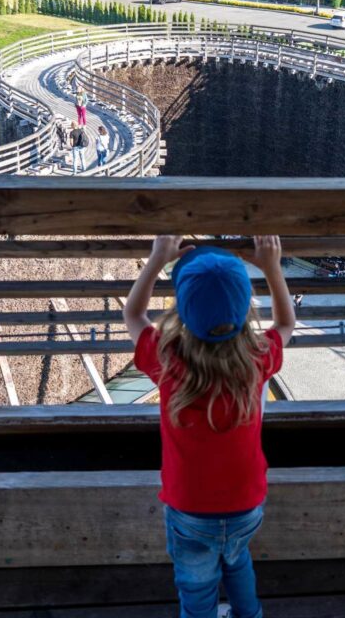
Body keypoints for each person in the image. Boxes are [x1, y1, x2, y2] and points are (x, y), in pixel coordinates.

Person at [123, 236, 296, 618]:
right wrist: (271, 268)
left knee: (196, 585)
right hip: (246, 503)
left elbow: (134, 316)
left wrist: (155, 261)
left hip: (190, 509)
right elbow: (286, 323)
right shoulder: (257, 357)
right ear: (244, 311)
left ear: (182, 312)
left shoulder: (167, 359)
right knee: (237, 563)